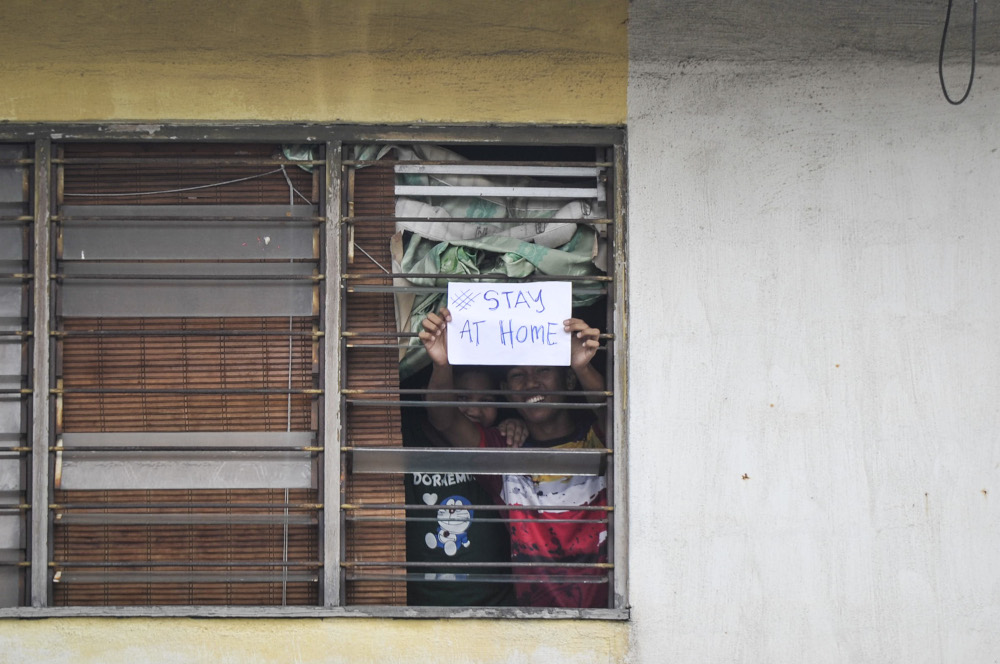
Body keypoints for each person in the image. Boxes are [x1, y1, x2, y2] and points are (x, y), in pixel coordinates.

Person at [418, 307, 608, 609]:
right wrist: (442, 365)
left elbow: (618, 418)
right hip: (532, 624)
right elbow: (445, 420)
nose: (531, 383)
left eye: (543, 370)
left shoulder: (601, 438)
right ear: (506, 393)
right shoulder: (503, 453)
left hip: (605, 618)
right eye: (518, 375)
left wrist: (584, 366)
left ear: (568, 380)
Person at [402, 365, 526, 606]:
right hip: (419, 611)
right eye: (461, 397)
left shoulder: (495, 447)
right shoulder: (405, 439)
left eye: (486, 400)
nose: (473, 409)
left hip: (496, 608)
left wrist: (519, 423)